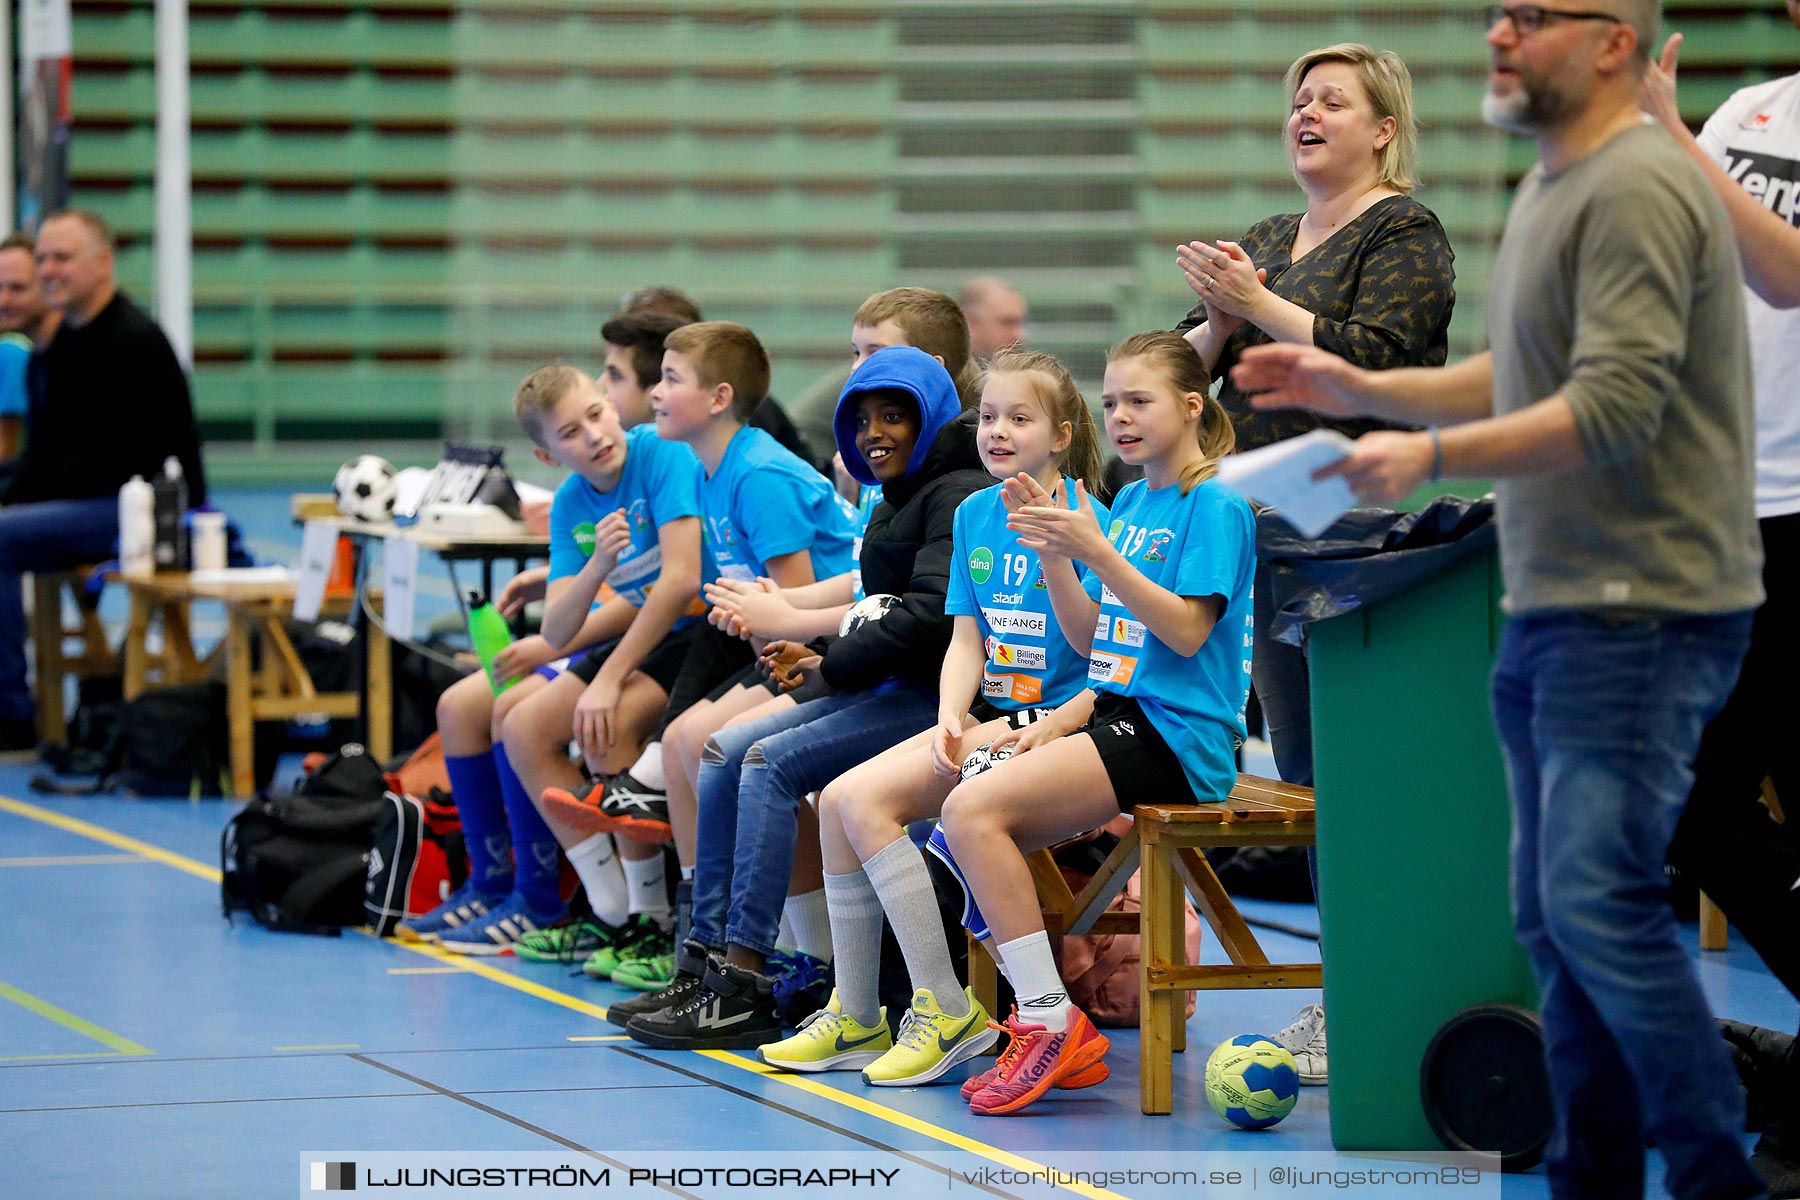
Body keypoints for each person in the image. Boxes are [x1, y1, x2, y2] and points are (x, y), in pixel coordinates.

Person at [1230, 2, 1763, 1192]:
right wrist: (1345, 378)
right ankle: (1595, 1173)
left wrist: (1421, 454)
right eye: (1500, 16)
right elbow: (1521, 367)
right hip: (1559, 595)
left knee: (1600, 908)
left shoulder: (1634, 186)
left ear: (1615, 43)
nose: (1501, 38)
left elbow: (1616, 406)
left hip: (1643, 599)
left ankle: (1722, 1173)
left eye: (1535, 17)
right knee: (1555, 919)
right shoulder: (1555, 185)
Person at [1173, 41, 1455, 1082]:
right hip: (1256, 541)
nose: (1308, 112)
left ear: (1382, 129)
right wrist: (1213, 318)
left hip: (1353, 539)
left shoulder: (1404, 228)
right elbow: (1178, 382)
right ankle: (1349, 1002)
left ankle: (1394, 993)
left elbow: (1379, 364)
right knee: (1307, 785)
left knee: (1367, 779)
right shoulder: (1264, 240)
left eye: (1333, 100)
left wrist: (1259, 306)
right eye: (1298, 99)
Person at [617, 344, 990, 1051]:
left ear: (932, 419)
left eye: (894, 416)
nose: (875, 432)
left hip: (934, 700)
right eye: (863, 418)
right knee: (726, 752)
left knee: (768, 762)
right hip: (885, 681)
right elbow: (875, 603)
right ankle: (704, 962)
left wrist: (829, 665)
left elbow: (929, 618)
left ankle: (746, 982)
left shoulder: (954, 493)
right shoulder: (895, 498)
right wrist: (826, 655)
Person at [920, 331, 1252, 1116]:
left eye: (1140, 400)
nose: (1123, 417)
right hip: (1118, 714)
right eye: (1112, 403)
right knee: (964, 798)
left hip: (1181, 736)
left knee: (974, 810)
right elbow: (1091, 640)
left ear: (1191, 407)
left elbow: (1184, 633)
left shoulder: (1215, 506)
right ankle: (1043, 1012)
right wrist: (1057, 558)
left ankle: (1044, 1018)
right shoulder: (1134, 501)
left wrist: (1096, 553)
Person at [757, 347, 1106, 1086]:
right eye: (988, 417)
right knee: (837, 801)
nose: (998, 431)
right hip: (987, 715)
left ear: (1064, 433)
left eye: (1020, 417)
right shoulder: (977, 512)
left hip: (1064, 726)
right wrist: (950, 712)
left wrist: (1053, 721)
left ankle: (946, 1008)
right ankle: (855, 1012)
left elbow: (1113, 662)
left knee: (870, 802)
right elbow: (965, 636)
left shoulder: (1087, 522)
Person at [1643, 23, 1800, 1198]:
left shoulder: (1709, 129)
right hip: (1714, 510)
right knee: (1688, 811)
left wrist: (1669, 136)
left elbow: (1788, 271)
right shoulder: (1748, 109)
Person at [0, 209, 205, 753]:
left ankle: (12, 713)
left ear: (102, 263)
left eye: (61, 257)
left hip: (143, 512)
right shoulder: (63, 347)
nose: (49, 270)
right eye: (42, 258)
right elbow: (44, 459)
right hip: (91, 501)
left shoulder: (132, 341)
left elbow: (109, 464)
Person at [0, 233, 56, 471]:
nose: (3, 300)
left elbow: (6, 445)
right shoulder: (33, 356)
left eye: (18, 288)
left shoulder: (13, 353)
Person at [959, 277, 1028, 362]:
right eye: (1006, 323)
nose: (1019, 335)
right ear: (970, 322)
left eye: (1020, 323)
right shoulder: (946, 371)